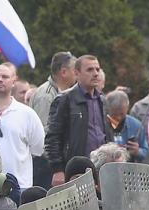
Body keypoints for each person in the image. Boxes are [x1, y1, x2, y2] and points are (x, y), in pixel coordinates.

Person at [46, 55, 112, 186]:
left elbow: (107, 134)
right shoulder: (65, 99)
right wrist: (57, 170)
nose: (95, 74)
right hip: (75, 169)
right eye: (90, 70)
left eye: (97, 69)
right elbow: (52, 137)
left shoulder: (103, 101)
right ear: (77, 73)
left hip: (101, 169)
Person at [30, 52, 76, 130]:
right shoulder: (45, 96)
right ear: (64, 72)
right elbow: (43, 130)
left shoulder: (66, 93)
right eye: (74, 70)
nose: (77, 73)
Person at [105, 91, 148, 162]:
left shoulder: (136, 125)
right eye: (114, 115)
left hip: (129, 168)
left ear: (127, 108)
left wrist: (137, 151)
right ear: (107, 109)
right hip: (105, 167)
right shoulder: (101, 124)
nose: (118, 117)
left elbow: (145, 151)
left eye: (122, 114)